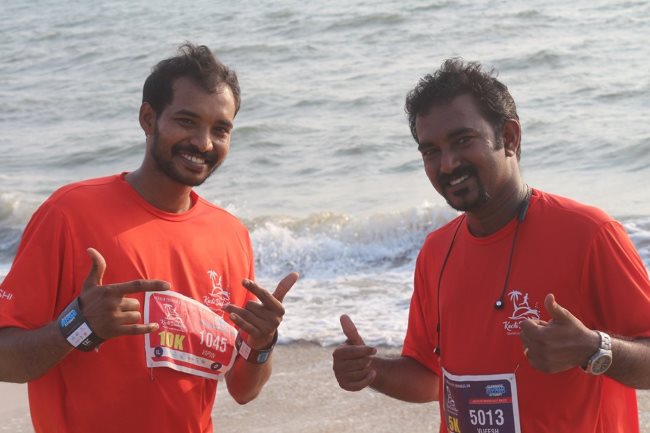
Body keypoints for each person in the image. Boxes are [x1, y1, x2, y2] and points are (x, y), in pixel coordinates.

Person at [332, 59, 650, 432]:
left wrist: (594, 349)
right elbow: (432, 378)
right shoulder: (436, 251)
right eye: (431, 151)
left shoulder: (589, 233)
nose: (447, 164)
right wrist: (373, 371)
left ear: (509, 137)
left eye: (462, 140)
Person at [0, 43, 298, 433]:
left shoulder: (230, 235)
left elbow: (243, 389)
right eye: (187, 121)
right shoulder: (68, 213)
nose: (204, 143)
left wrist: (262, 343)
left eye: (220, 129)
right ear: (148, 118)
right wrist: (79, 325)